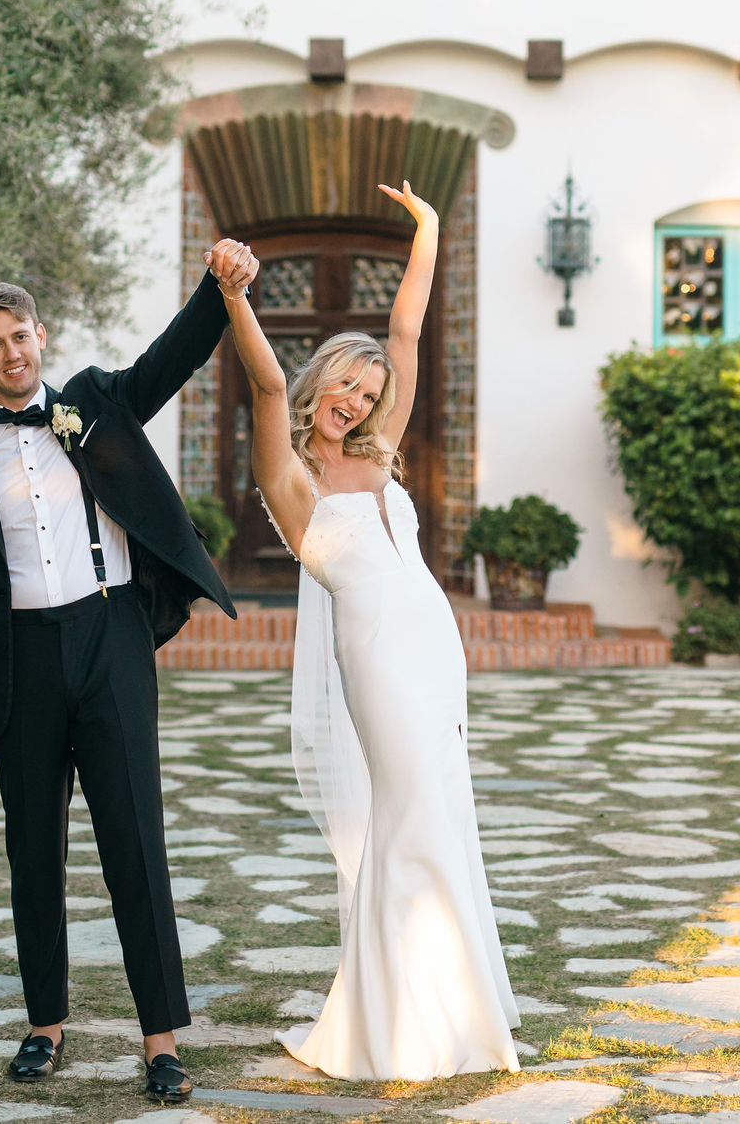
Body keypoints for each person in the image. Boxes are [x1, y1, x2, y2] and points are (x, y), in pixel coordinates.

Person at [0, 241, 259, 1104]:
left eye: (20, 336)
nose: (11, 353)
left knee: (135, 842)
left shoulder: (95, 404)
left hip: (110, 641)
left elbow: (171, 359)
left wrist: (219, 287)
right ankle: (45, 1024)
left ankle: (161, 1040)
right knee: (34, 851)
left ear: (42, 335)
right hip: (20, 660)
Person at [220, 182, 520, 1081]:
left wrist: (427, 231)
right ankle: (397, 1020)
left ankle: (452, 1005)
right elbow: (266, 380)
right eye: (347, 385)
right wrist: (235, 295)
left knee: (444, 808)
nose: (356, 401)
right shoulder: (289, 473)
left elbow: (407, 332)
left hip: (433, 646)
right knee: (409, 810)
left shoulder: (378, 453)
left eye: (369, 393)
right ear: (322, 381)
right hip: (377, 659)